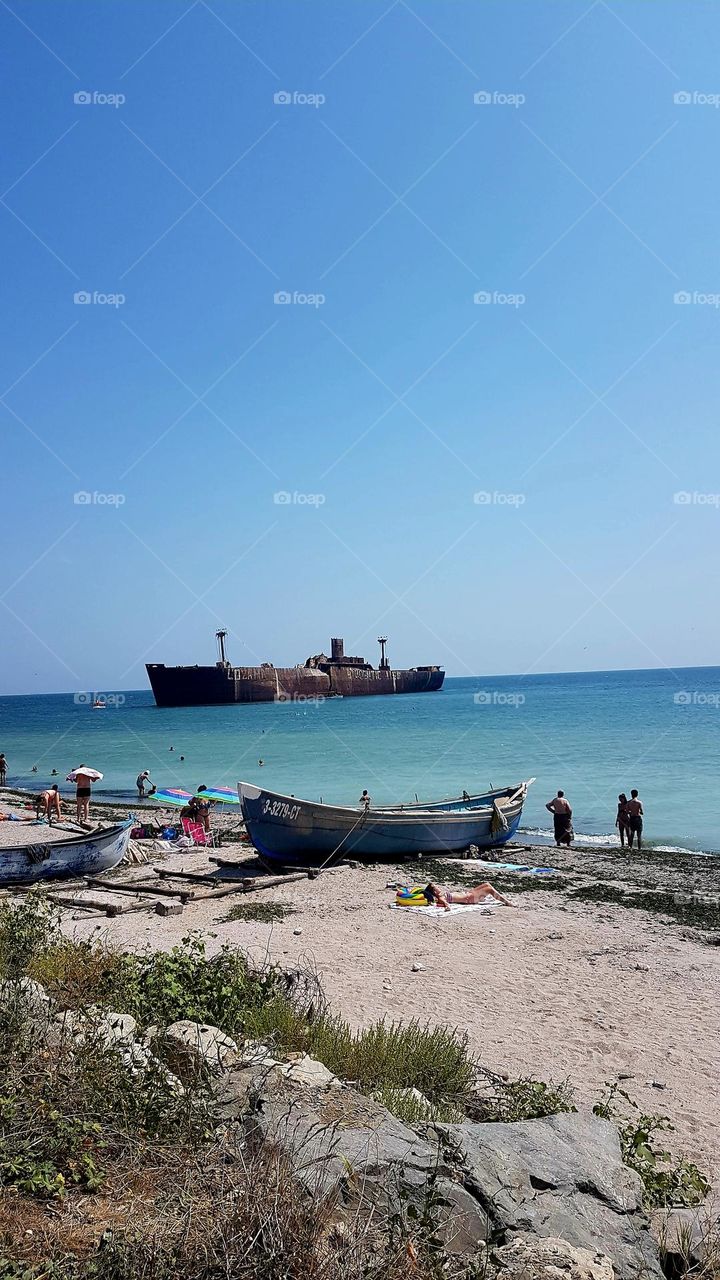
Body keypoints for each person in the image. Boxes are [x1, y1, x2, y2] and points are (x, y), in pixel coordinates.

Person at [404, 881, 516, 911]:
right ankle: (507, 902)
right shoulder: (441, 897)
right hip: (470, 899)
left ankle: (505, 901)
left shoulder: (441, 894)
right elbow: (445, 903)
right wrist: (447, 907)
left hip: (469, 893)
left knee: (487, 884)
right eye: (436, 887)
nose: (438, 887)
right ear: (435, 892)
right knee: (490, 889)